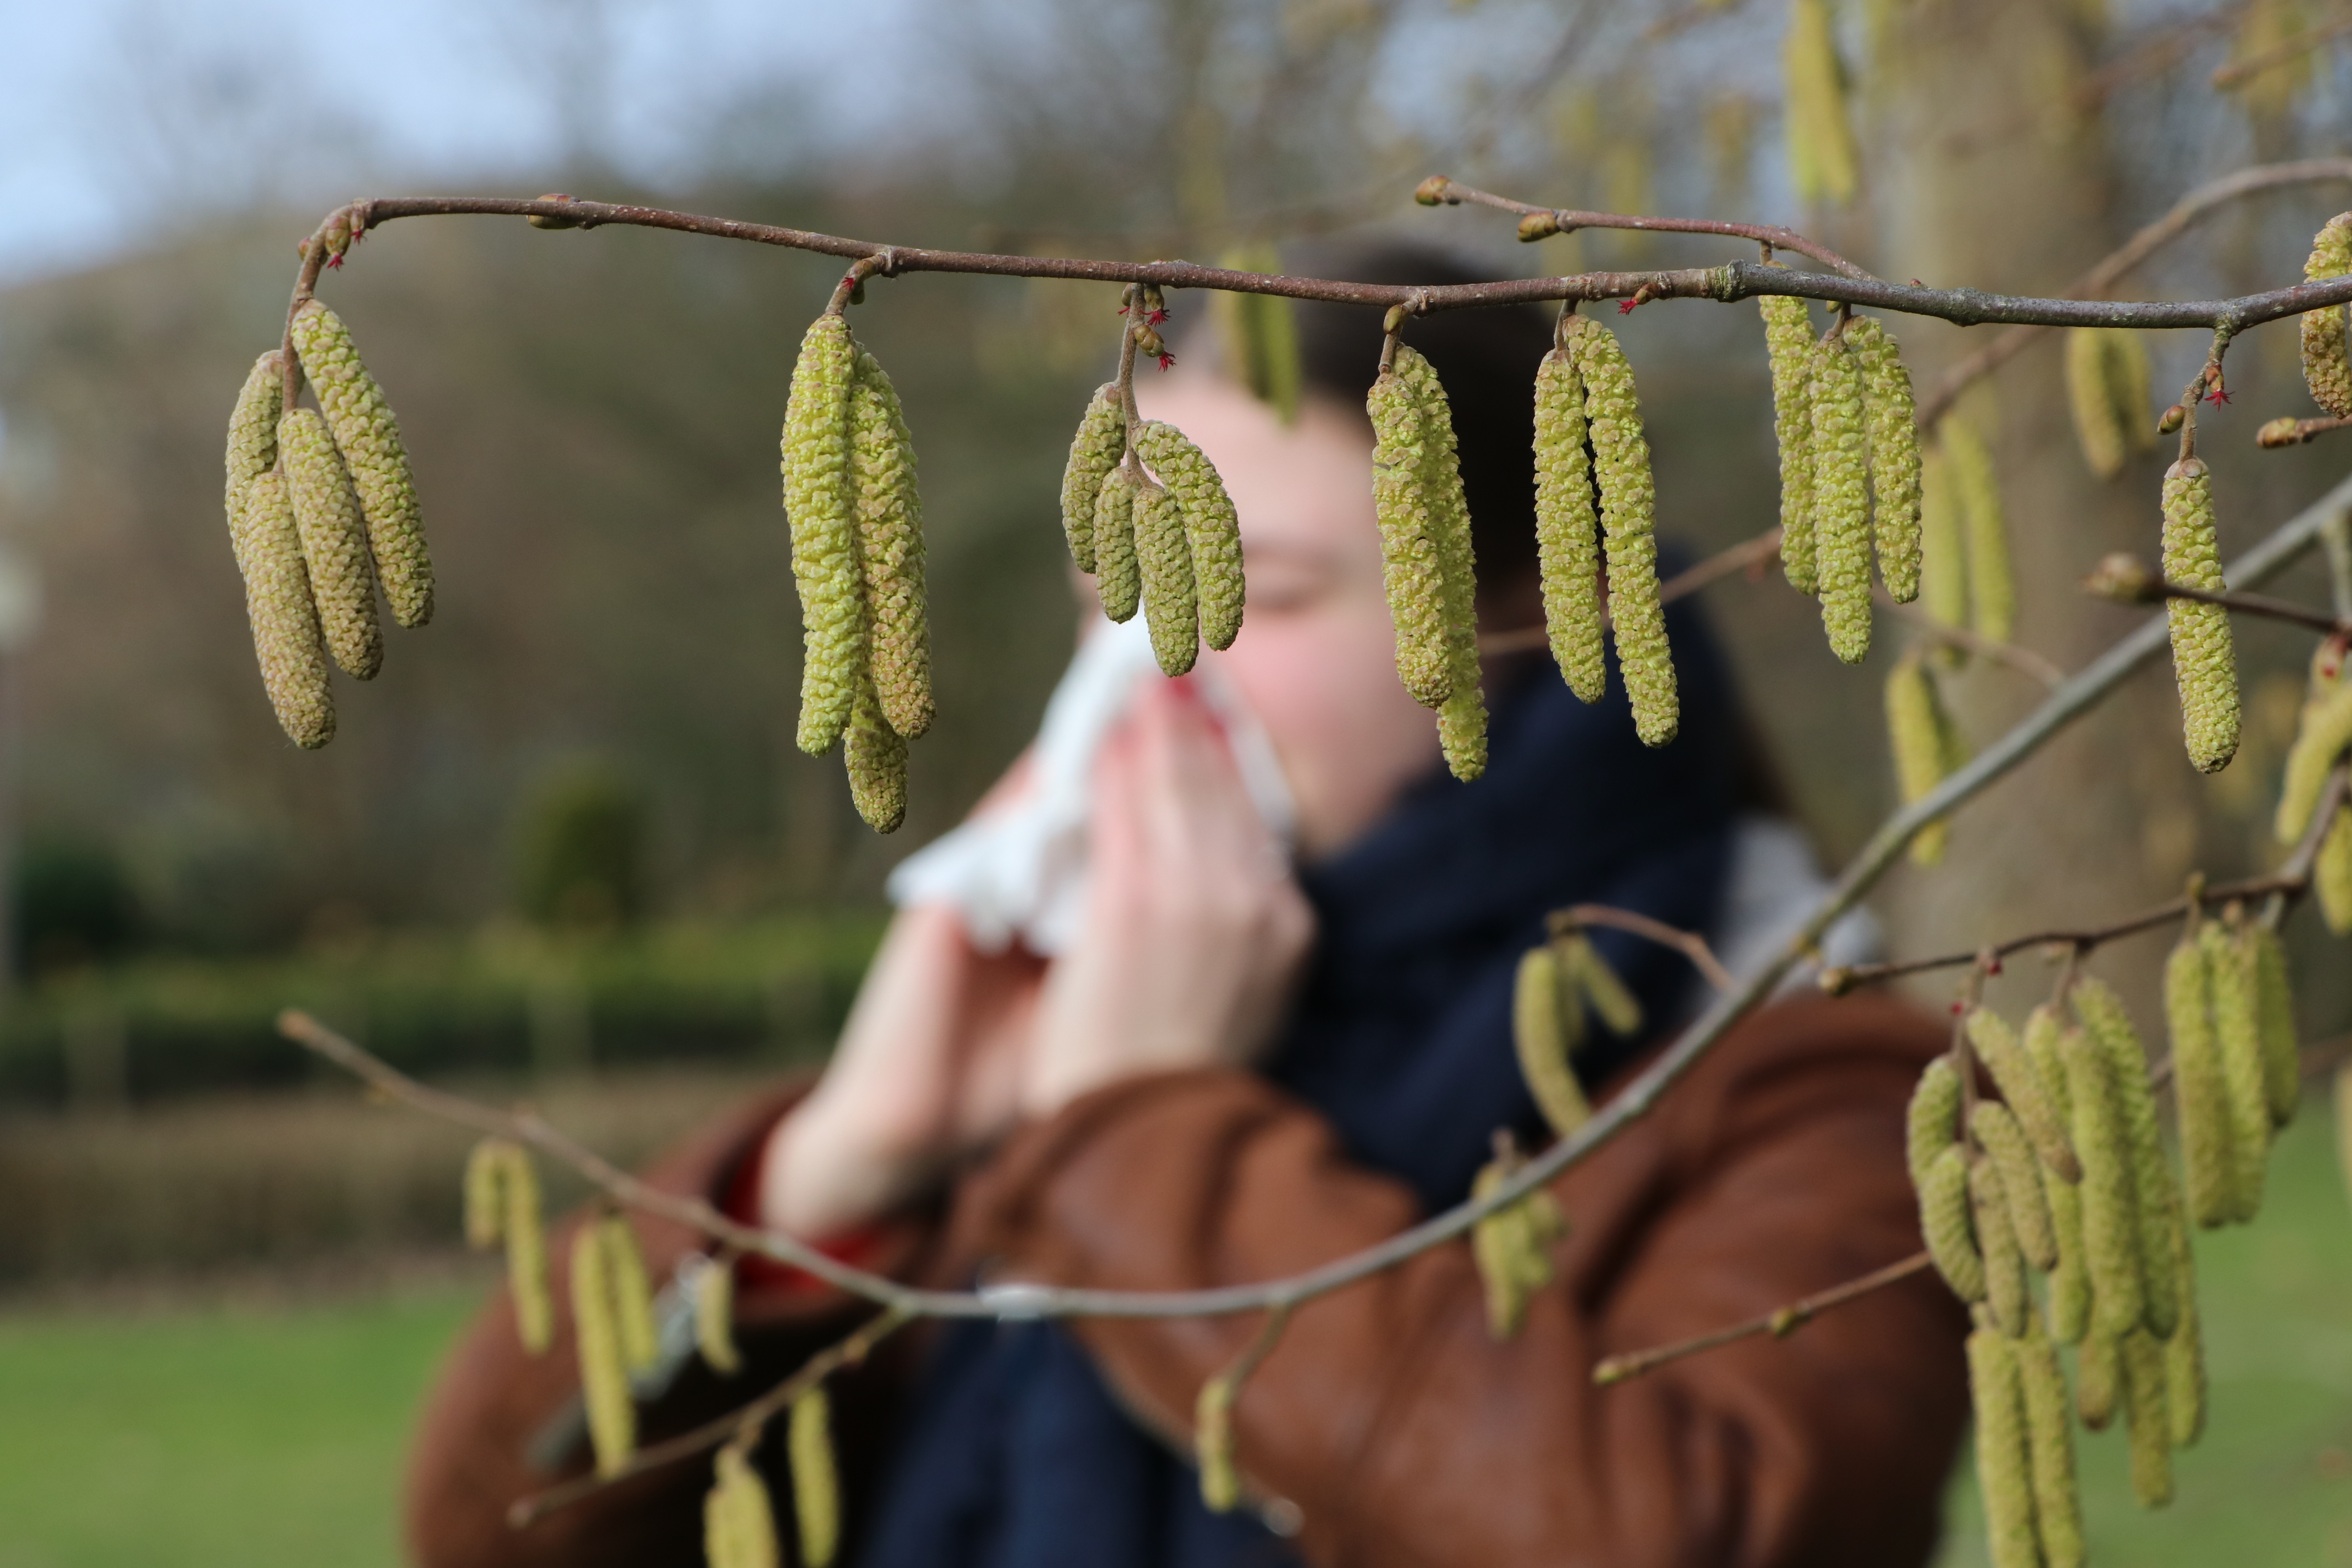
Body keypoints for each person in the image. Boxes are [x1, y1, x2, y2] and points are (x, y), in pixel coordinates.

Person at [407, 246, 1967, 1568]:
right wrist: (821, 1187)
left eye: (1263, 593)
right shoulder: (1037, 1051)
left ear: (1526, 618)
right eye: (1110, 600)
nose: (1151, 673)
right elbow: (495, 1530)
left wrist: (1148, 1138)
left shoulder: (1794, 1083)